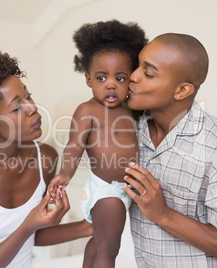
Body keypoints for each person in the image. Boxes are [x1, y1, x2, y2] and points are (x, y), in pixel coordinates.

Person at [124, 33, 217, 267]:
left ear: (181, 91)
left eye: (148, 73)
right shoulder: (129, 131)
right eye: (137, 65)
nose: (133, 76)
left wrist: (163, 214)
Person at [0, 50, 93, 268]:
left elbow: (35, 235)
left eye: (28, 96)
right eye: (17, 107)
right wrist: (28, 225)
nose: (33, 108)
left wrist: (87, 227)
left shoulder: (46, 158)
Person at [48, 20, 147, 267]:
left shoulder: (131, 110)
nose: (111, 84)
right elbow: (74, 145)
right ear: (88, 80)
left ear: (131, 81)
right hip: (106, 192)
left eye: (120, 78)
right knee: (109, 249)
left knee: (99, 241)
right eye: (102, 77)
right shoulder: (88, 110)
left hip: (123, 190)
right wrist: (64, 174)